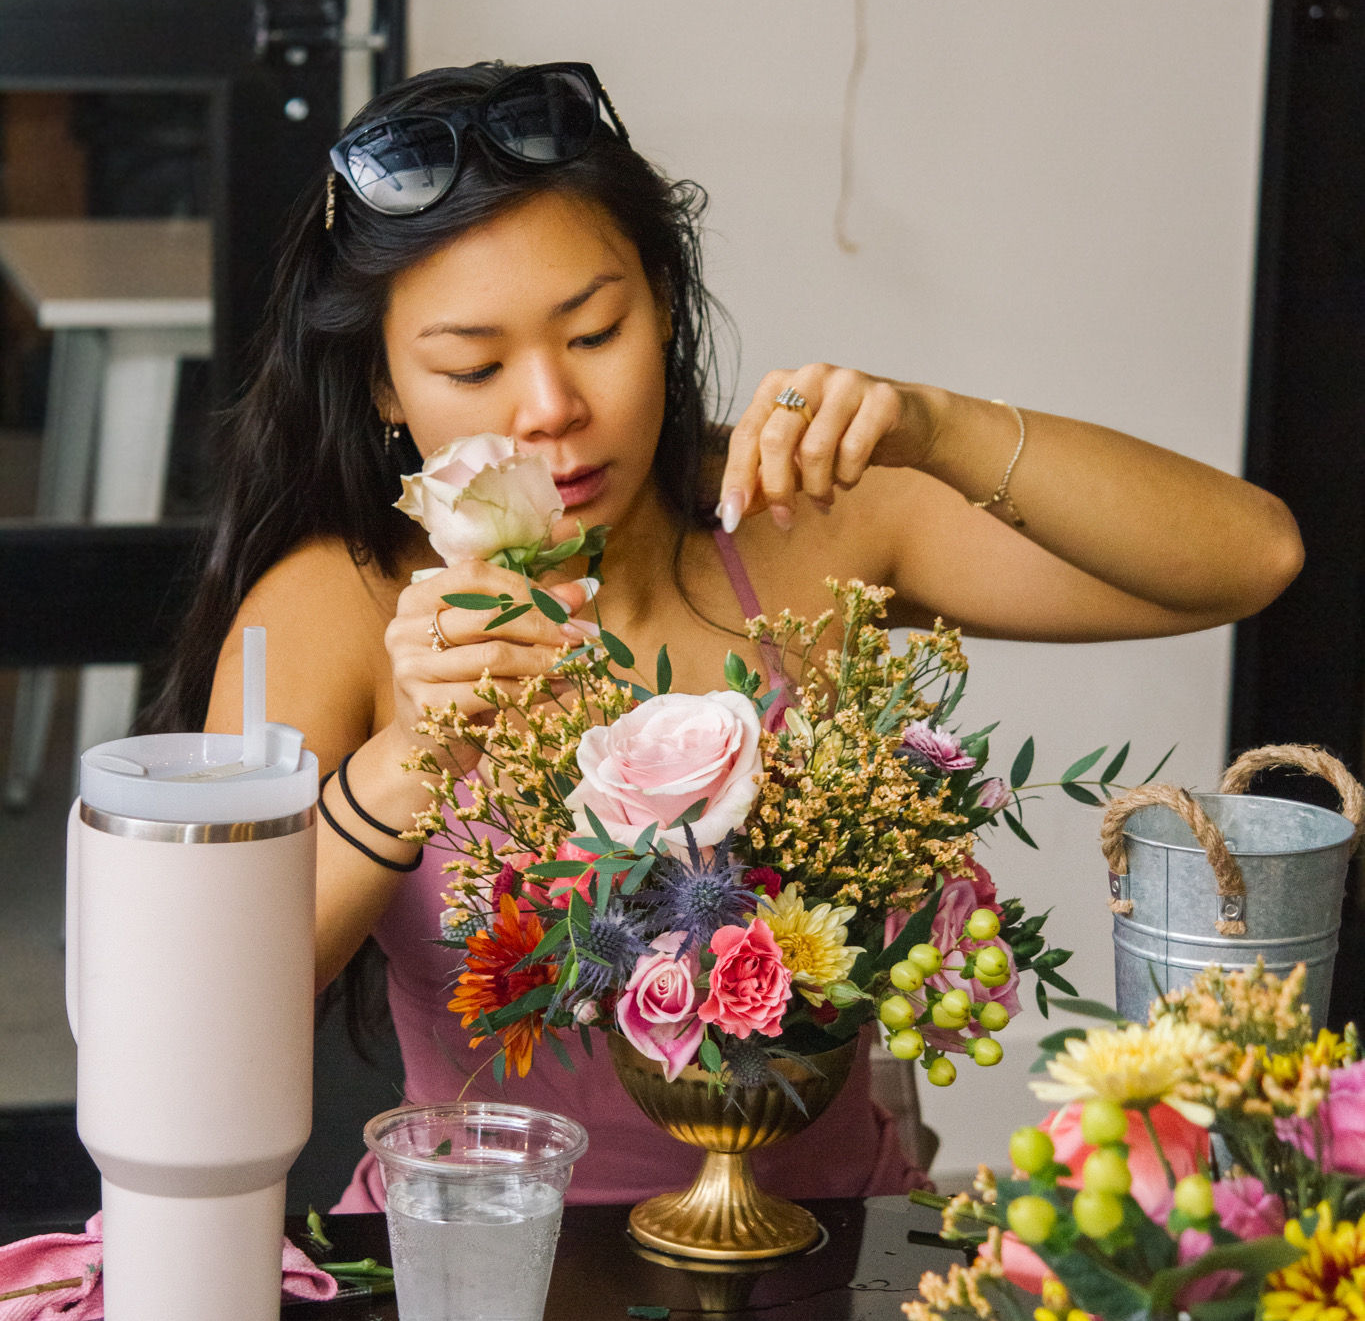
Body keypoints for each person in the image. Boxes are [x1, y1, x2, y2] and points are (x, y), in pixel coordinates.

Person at [156, 60, 1303, 1210]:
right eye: (474, 365)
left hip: (829, 1265)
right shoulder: (335, 603)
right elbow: (195, 1033)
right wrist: (409, 755)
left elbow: (1252, 557)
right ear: (384, 388)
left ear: (662, 305)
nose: (551, 405)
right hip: (481, 1294)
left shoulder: (795, 525)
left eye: (596, 331)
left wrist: (937, 427)